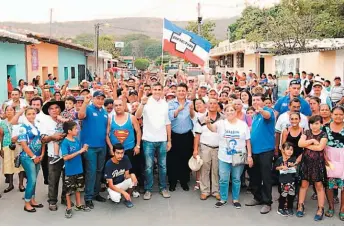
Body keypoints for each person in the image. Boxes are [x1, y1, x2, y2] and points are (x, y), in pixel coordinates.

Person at [206, 104, 252, 208]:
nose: (230, 112)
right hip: (224, 156)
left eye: (232, 110)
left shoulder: (242, 125)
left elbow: (248, 141)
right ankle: (223, 199)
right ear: (224, 112)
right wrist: (208, 122)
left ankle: (235, 199)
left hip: (238, 156)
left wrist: (249, 155)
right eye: (228, 110)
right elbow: (212, 128)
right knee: (223, 179)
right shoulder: (221, 123)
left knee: (236, 179)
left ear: (236, 112)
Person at [135, 82, 171, 200]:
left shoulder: (165, 104)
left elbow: (167, 123)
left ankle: (163, 188)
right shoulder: (146, 101)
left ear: (162, 91)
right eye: (154, 89)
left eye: (159, 89)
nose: (156, 91)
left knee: (163, 166)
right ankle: (148, 189)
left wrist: (169, 140)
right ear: (151, 90)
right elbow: (137, 116)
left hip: (162, 140)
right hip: (148, 139)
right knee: (149, 166)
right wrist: (142, 103)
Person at [78, 91, 108, 209]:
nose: (100, 100)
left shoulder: (104, 112)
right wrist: (85, 103)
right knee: (91, 171)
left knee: (99, 171)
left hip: (102, 146)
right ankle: (88, 197)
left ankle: (96, 194)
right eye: (98, 98)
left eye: (102, 99)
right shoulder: (88, 109)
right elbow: (80, 116)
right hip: (90, 147)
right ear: (93, 99)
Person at [246, 93, 275, 214]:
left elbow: (267, 116)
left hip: (265, 151)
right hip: (254, 151)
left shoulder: (267, 112)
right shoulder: (255, 115)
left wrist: (262, 111)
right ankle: (257, 198)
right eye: (254, 100)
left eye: (258, 99)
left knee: (266, 177)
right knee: (254, 176)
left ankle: (267, 202)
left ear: (263, 101)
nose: (256, 101)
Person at [106, 99, 142, 196]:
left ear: (124, 106)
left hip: (129, 148)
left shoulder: (131, 117)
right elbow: (106, 134)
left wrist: (138, 145)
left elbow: (138, 131)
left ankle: (132, 189)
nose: (118, 107)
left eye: (120, 105)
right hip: (115, 151)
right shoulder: (110, 118)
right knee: (116, 171)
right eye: (116, 105)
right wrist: (110, 147)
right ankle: (115, 190)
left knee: (131, 170)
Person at [297, 115, 328, 221]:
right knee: (304, 184)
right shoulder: (306, 132)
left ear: (321, 124)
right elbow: (300, 143)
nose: (314, 126)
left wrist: (307, 144)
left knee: (319, 186)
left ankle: (320, 208)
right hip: (306, 163)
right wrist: (312, 141)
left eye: (316, 123)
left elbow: (320, 147)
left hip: (318, 163)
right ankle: (300, 205)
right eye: (312, 123)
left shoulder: (323, 134)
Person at [40, 99, 67, 211]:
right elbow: (43, 139)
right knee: (53, 179)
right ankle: (52, 201)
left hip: (67, 155)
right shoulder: (45, 122)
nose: (54, 110)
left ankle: (65, 198)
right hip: (53, 155)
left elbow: (74, 132)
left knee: (67, 179)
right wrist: (53, 137)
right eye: (51, 108)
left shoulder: (65, 121)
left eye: (56, 108)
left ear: (60, 109)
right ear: (48, 111)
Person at [167, 83, 194, 191]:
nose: (181, 92)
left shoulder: (190, 103)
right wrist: (178, 109)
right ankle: (172, 182)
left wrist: (191, 110)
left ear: (186, 92)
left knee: (185, 158)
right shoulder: (171, 103)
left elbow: (193, 117)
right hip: (174, 134)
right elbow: (170, 117)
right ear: (176, 92)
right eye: (179, 91)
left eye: (183, 90)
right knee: (172, 159)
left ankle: (184, 181)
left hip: (187, 135)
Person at [193, 98, 221, 200]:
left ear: (217, 105)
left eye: (214, 103)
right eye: (210, 103)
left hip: (219, 148)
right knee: (204, 170)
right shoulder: (201, 119)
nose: (212, 105)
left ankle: (215, 191)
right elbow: (197, 135)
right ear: (207, 105)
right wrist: (195, 150)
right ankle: (205, 191)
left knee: (216, 170)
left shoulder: (223, 118)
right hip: (205, 147)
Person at [61, 121, 90, 218]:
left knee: (79, 188)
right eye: (75, 129)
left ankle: (79, 204)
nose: (77, 130)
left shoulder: (76, 140)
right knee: (69, 190)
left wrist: (84, 148)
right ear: (69, 131)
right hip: (70, 170)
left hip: (79, 169)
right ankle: (68, 208)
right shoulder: (65, 142)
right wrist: (80, 151)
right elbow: (65, 157)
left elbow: (80, 151)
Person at [18, 107, 44, 213]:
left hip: (38, 157)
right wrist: (33, 157)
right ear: (25, 115)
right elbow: (24, 145)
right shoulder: (23, 128)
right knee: (32, 180)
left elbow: (42, 141)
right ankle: (27, 203)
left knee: (32, 180)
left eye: (33, 113)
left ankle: (32, 200)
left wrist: (41, 154)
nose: (32, 116)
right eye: (29, 114)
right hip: (27, 157)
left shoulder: (37, 126)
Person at [323, 106, 344, 220]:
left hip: (343, 158)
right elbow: (321, 143)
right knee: (330, 185)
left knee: (343, 186)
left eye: (341, 114)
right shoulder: (325, 128)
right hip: (329, 157)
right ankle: (331, 207)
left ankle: (342, 209)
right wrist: (325, 158)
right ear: (331, 115)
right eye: (336, 114)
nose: (338, 116)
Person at [104, 143, 138, 208]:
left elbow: (126, 175)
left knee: (133, 180)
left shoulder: (125, 158)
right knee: (116, 199)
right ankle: (113, 195)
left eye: (122, 153)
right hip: (113, 186)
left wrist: (132, 175)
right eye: (118, 153)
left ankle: (127, 199)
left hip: (122, 182)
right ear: (113, 153)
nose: (120, 155)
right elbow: (110, 185)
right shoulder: (109, 164)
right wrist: (123, 192)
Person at [0, 105, 25, 193]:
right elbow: (1, 136)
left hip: (18, 145)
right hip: (7, 145)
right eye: (7, 110)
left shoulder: (19, 121)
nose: (9, 111)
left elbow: (23, 132)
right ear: (5, 112)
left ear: (14, 112)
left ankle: (21, 184)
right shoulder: (2, 123)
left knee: (20, 165)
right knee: (8, 165)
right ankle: (10, 185)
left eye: (11, 110)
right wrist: (1, 148)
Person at [50, 96, 78, 165]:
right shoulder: (64, 111)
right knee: (58, 141)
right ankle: (57, 156)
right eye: (66, 103)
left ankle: (57, 156)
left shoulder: (73, 112)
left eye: (70, 103)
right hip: (61, 128)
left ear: (74, 104)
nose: (67, 105)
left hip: (66, 129)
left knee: (57, 141)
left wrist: (61, 118)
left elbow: (68, 120)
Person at [274, 142, 297, 217]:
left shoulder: (293, 159)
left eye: (291, 149)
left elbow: (296, 167)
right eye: (287, 149)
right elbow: (275, 168)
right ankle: (280, 208)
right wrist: (281, 167)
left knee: (291, 194)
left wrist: (293, 165)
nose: (290, 151)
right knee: (283, 195)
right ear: (283, 150)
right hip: (283, 181)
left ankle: (289, 207)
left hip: (292, 180)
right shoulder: (280, 159)